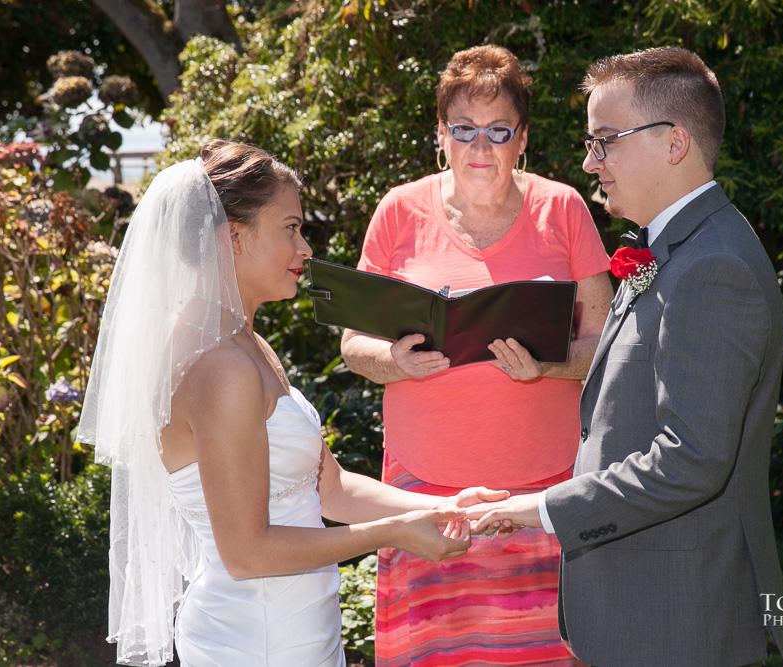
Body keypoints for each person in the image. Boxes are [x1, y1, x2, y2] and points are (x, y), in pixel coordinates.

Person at [77, 140, 507, 666]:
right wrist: (394, 534)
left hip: (296, 629)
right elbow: (246, 552)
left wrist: (446, 505)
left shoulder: (245, 344)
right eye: (290, 228)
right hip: (255, 638)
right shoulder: (221, 368)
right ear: (233, 236)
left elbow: (332, 490)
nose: (305, 249)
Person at [467, 46, 783, 666]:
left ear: (673, 143)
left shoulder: (712, 267)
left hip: (676, 622)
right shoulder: (674, 250)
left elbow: (692, 460)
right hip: (646, 613)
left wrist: (538, 508)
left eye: (605, 141)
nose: (590, 162)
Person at [340, 45, 613, 666]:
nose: (479, 147)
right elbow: (354, 345)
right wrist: (396, 361)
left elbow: (608, 344)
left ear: (523, 138)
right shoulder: (399, 210)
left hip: (545, 484)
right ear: (440, 134)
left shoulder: (563, 208)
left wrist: (548, 365)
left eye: (498, 131)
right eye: (463, 129)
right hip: (422, 486)